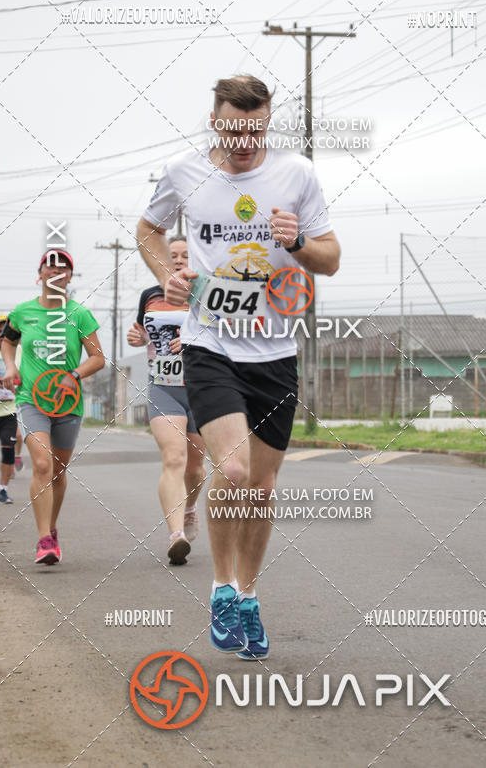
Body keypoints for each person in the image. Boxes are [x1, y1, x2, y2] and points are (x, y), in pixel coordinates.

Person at [137, 75, 340, 659]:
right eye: (234, 129)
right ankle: (222, 589)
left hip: (274, 352)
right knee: (233, 468)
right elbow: (148, 230)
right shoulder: (184, 172)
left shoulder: (297, 174)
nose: (246, 141)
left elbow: (329, 258)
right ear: (215, 121)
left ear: (267, 123)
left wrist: (297, 243)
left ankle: (248, 595)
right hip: (210, 346)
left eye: (256, 129)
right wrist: (167, 276)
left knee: (264, 486)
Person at [1, 249, 105, 565]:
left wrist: (75, 375)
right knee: (42, 465)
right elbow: (8, 341)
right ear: (41, 273)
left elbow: (98, 358)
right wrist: (10, 366)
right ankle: (44, 539)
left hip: (68, 404)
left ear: (70, 276)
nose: (56, 271)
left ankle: (52, 527)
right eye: (51, 265)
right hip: (31, 399)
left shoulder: (79, 314)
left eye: (64, 267)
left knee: (58, 472)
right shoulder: (23, 312)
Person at [127, 234, 206, 565]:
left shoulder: (207, 293)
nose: (178, 260)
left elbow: (228, 335)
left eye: (185, 255)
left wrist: (192, 341)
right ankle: (176, 536)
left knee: (195, 468)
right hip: (163, 385)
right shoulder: (150, 295)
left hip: (202, 387)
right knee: (174, 458)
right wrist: (137, 336)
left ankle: (189, 508)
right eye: (172, 254)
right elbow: (141, 332)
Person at [0, 315, 18, 503]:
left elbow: (25, 377)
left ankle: (3, 490)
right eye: (0, 331)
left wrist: (15, 383)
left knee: (8, 449)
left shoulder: (19, 351)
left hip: (9, 410)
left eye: (6, 331)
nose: (3, 335)